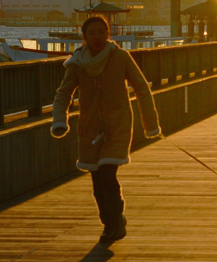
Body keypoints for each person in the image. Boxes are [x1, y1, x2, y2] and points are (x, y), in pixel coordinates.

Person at [50, 14, 161, 244]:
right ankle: (109, 222)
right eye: (92, 33)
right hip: (89, 129)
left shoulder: (120, 57)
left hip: (118, 125)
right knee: (97, 182)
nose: (97, 37)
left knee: (108, 174)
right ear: (85, 37)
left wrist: (151, 125)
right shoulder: (77, 63)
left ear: (108, 33)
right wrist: (60, 120)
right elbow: (64, 93)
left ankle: (116, 221)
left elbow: (141, 88)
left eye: (102, 32)